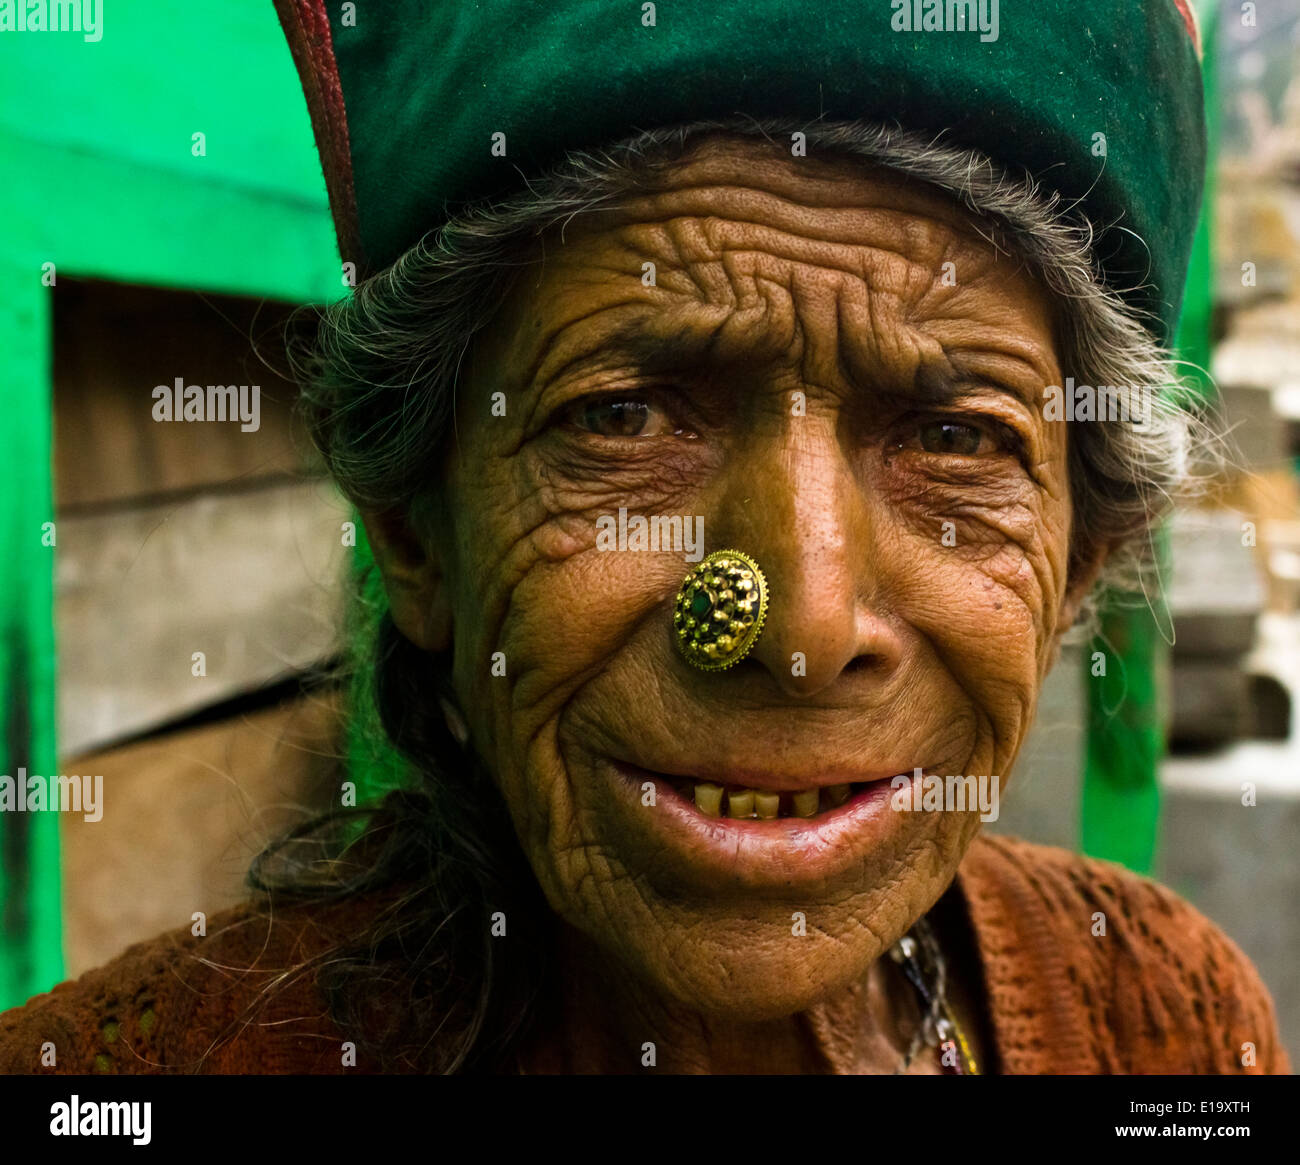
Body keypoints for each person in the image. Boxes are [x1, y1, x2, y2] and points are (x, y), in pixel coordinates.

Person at [0, 0, 1287, 1074]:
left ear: (1077, 562)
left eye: (954, 439)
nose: (801, 627)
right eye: (623, 414)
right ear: (414, 534)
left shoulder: (1160, 1019)